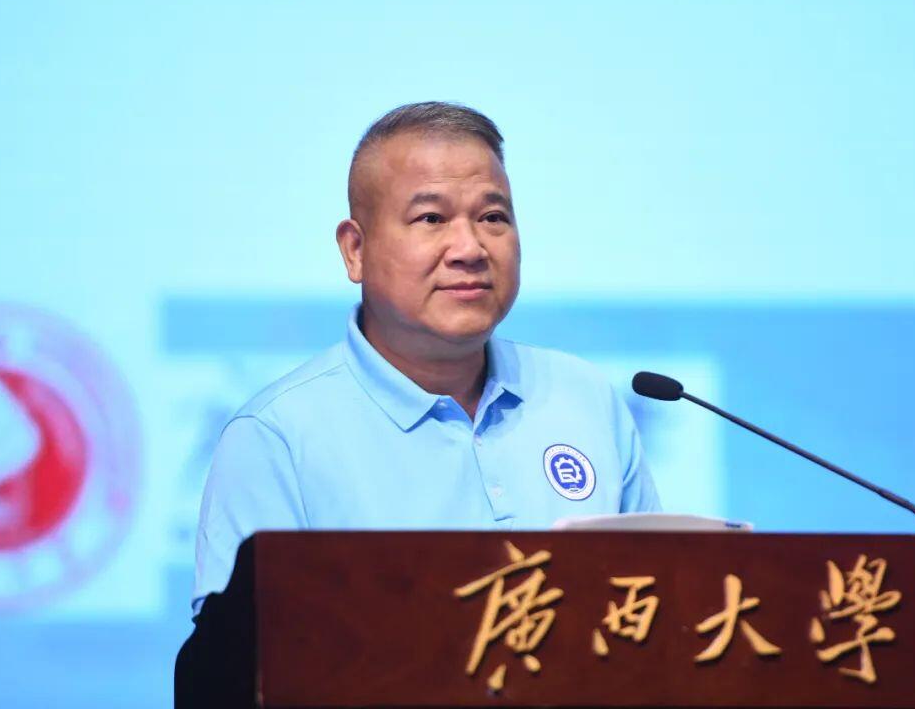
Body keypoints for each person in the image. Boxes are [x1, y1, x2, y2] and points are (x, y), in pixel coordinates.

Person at [192, 102, 660, 614]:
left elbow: (655, 608)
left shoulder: (584, 397)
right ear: (355, 250)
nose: (470, 248)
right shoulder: (276, 437)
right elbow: (241, 652)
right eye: (431, 218)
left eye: (493, 217)